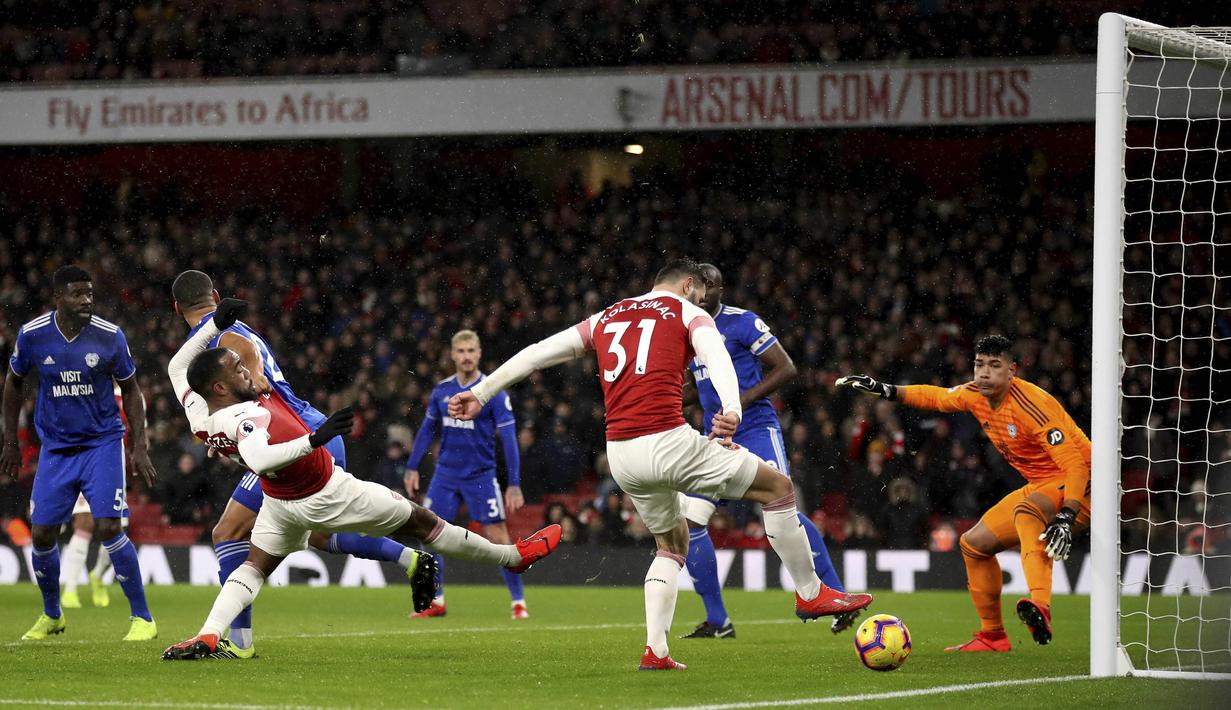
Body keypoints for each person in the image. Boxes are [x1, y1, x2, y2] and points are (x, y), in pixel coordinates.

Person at [448, 258, 872, 670]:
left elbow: (539, 353)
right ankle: (810, 592)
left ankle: (656, 649)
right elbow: (716, 354)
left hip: (621, 455)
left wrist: (481, 393)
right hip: (669, 442)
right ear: (688, 285)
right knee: (778, 488)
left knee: (671, 545)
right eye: (701, 294)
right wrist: (731, 410)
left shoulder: (607, 316)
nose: (704, 302)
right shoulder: (686, 311)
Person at [160, 300, 562, 661]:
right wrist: (311, 440)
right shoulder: (245, 416)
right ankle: (514, 557)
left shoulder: (198, 409)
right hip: (323, 491)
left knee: (254, 566)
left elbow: (177, 367)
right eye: (238, 370)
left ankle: (210, 635)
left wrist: (214, 325)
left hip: (278, 505)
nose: (248, 370)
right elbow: (261, 455)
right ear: (220, 387)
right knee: (422, 521)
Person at [170, 270, 430, 658]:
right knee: (311, 534)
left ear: (176, 308)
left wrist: (254, 373)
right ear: (216, 293)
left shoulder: (216, 333)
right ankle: (410, 558)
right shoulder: (227, 326)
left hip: (294, 438)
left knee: (228, 533)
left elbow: (241, 348)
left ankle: (238, 643)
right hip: (305, 428)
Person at [838, 334, 1090, 651]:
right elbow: (937, 398)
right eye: (979, 364)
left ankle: (1041, 607)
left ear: (1012, 370)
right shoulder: (975, 395)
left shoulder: (1032, 405)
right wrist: (884, 390)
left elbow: (1076, 465)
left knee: (1027, 512)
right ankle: (992, 636)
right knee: (973, 544)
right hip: (1043, 484)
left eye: (994, 365)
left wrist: (1067, 514)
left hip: (1087, 487)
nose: (984, 372)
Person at [681, 263, 855, 639]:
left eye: (710, 285)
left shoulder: (743, 323)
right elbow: (695, 385)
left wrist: (738, 402)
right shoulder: (687, 329)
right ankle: (717, 621)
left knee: (780, 510)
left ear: (721, 290)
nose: (702, 291)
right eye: (697, 284)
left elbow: (786, 368)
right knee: (690, 521)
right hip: (715, 435)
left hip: (755, 428)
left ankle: (834, 595)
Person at [0, 265, 159, 641]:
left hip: (102, 443)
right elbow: (13, 384)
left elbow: (132, 391)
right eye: (77, 294)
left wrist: (139, 445)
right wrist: (10, 441)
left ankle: (143, 619)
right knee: (41, 534)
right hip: (56, 448)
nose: (86, 300)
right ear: (58, 298)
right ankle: (53, 614)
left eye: (89, 293)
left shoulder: (109, 337)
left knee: (107, 527)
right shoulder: (34, 335)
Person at [405, 330, 528, 619]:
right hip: (445, 474)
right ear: (452, 355)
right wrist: (412, 466)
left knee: (498, 537)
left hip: (481, 476)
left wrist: (514, 483)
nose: (466, 356)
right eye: (460, 351)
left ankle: (518, 602)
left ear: (480, 353)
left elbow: (509, 438)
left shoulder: (492, 390)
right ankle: (436, 600)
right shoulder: (442, 391)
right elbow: (426, 431)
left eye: (471, 350)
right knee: (428, 534)